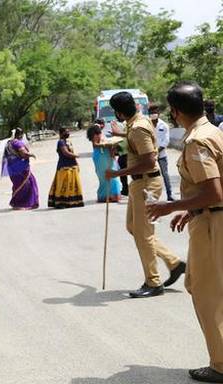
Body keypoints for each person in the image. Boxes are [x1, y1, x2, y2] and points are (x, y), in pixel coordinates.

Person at [148, 82, 223, 383]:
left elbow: (214, 192)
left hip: (213, 223)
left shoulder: (197, 142)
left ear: (175, 112)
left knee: (207, 294)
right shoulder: (214, 131)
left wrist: (171, 206)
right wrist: (189, 209)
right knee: (199, 285)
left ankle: (220, 364)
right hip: (207, 216)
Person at [105, 91, 184, 298]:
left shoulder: (138, 127)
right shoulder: (136, 121)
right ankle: (174, 263)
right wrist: (120, 138)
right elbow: (136, 139)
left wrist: (117, 173)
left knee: (144, 234)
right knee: (134, 228)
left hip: (146, 183)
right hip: (139, 184)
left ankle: (153, 282)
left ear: (118, 112)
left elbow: (149, 160)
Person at [1, 128, 39, 210]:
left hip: (11, 168)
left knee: (17, 184)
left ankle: (16, 203)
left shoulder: (9, 143)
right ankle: (25, 203)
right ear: (20, 135)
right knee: (29, 183)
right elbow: (23, 153)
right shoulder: (17, 143)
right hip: (20, 167)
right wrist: (31, 155)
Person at [48, 128, 84, 209]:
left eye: (68, 131)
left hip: (72, 165)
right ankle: (60, 202)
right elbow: (65, 153)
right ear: (61, 133)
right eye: (66, 132)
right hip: (64, 166)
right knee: (62, 185)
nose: (68, 133)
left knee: (72, 184)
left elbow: (71, 152)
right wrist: (76, 155)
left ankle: (72, 201)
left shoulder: (68, 142)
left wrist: (76, 163)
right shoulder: (60, 142)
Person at [87, 124, 122, 203]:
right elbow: (95, 145)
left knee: (113, 175)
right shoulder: (94, 135)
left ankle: (114, 195)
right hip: (100, 157)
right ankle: (104, 196)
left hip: (108, 156)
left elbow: (112, 147)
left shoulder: (105, 136)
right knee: (104, 176)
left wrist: (112, 147)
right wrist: (104, 145)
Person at [149, 104, 174, 201]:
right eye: (151, 113)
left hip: (161, 155)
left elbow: (166, 141)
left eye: (155, 112)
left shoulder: (164, 125)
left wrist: (157, 151)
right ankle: (151, 195)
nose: (153, 114)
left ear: (158, 113)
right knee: (150, 176)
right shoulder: (147, 125)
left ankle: (169, 194)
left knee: (165, 174)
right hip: (149, 156)